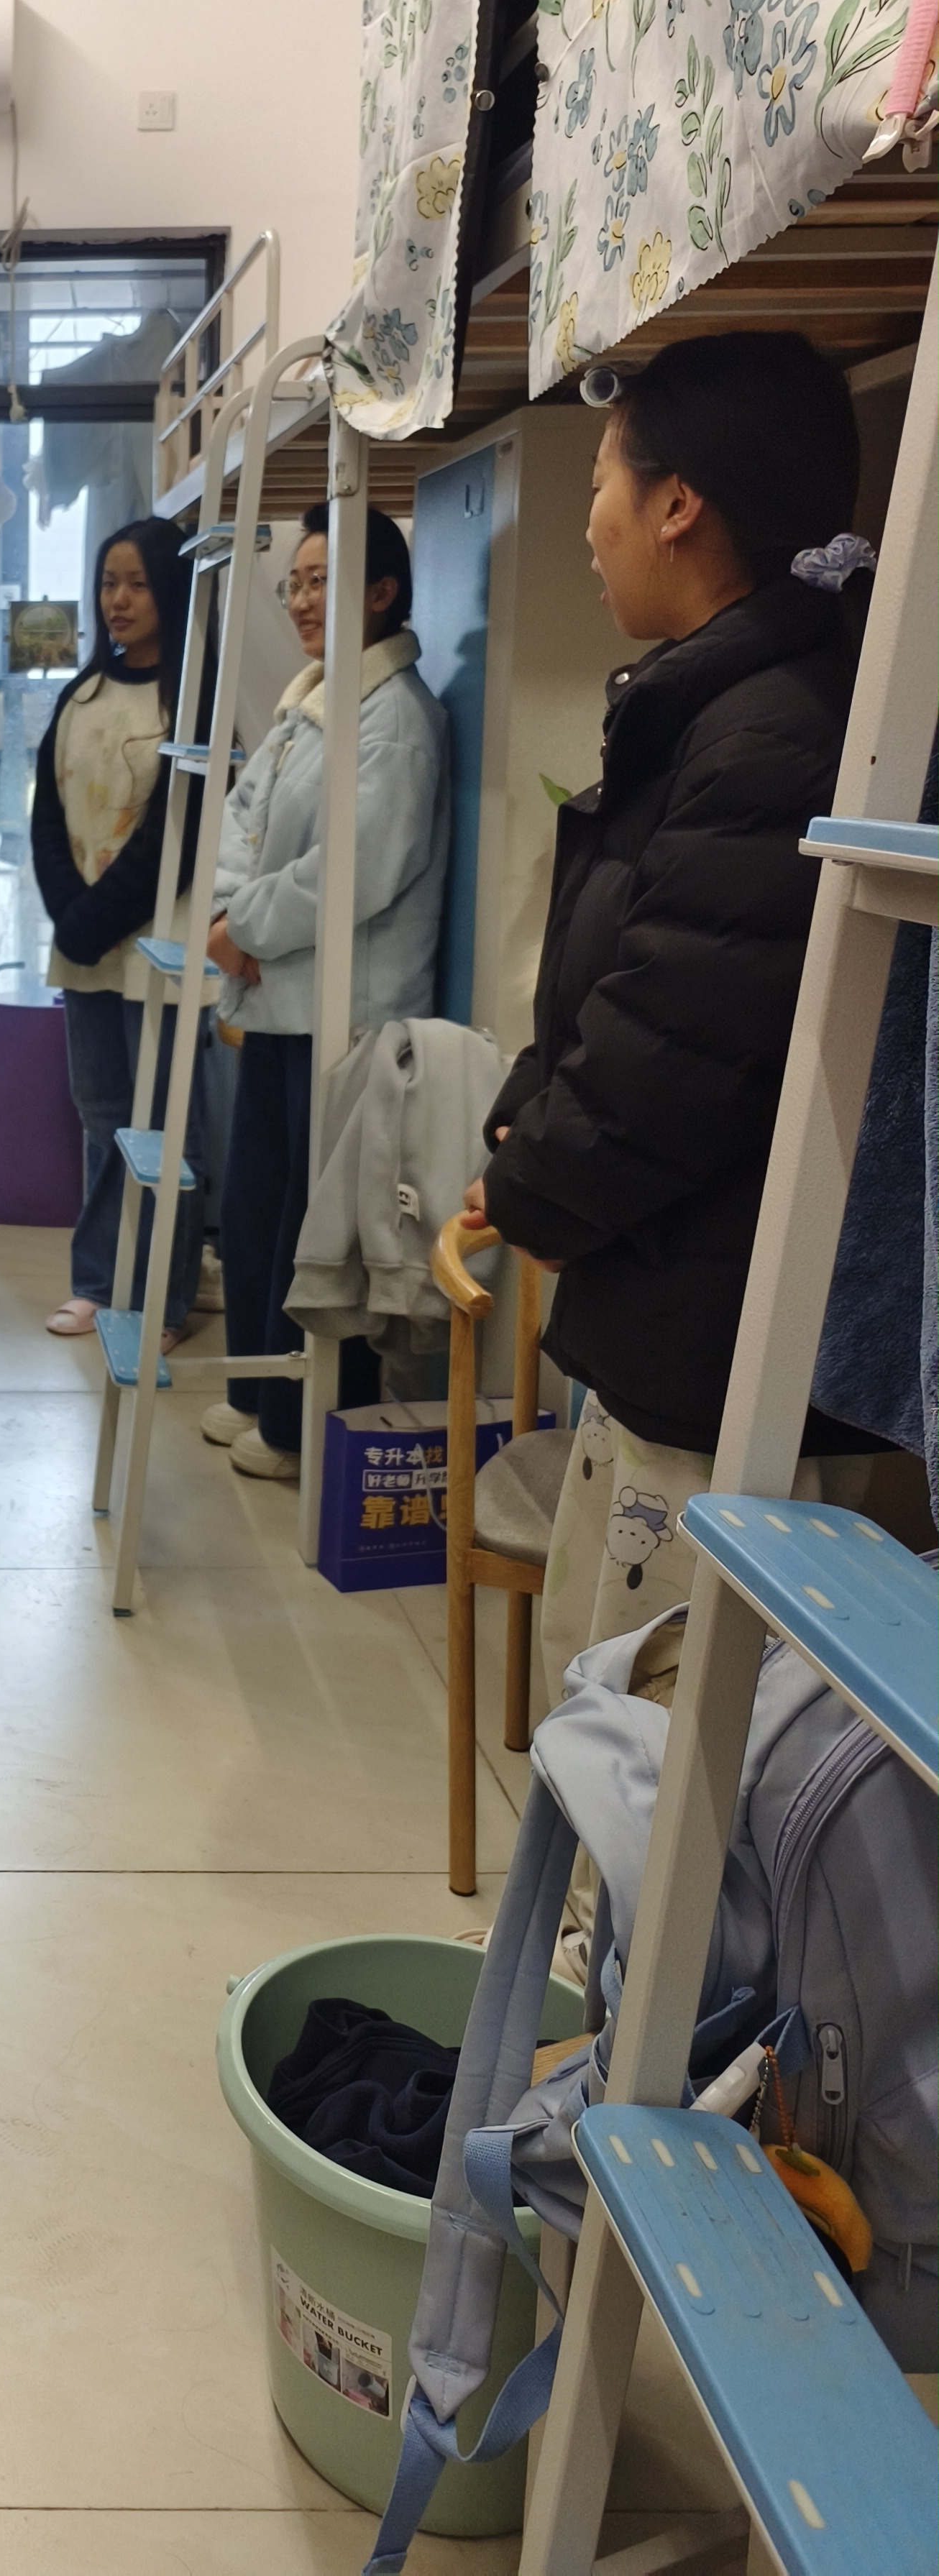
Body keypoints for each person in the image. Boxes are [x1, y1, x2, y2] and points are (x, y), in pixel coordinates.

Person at [466, 332, 865, 1707]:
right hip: (668, 1315)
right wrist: (525, 1111)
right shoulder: (717, 710)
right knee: (607, 1721)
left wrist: (526, 1182)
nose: (590, 522)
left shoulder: (770, 737)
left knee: (646, 1752)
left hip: (716, 1357)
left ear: (679, 502)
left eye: (600, 482)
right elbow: (621, 988)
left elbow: (671, 1062)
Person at [206, 503, 450, 1481]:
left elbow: (352, 872)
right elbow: (241, 825)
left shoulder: (397, 721)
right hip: (276, 999)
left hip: (342, 1016)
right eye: (296, 583)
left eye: (323, 581)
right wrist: (227, 918)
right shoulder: (311, 702)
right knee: (257, 1209)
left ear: (381, 592)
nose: (304, 601)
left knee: (319, 1234)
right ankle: (256, 1392)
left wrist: (242, 928)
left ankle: (298, 1431)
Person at [32, 516, 232, 1350]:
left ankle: (162, 1300)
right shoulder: (78, 695)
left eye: (137, 583)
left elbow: (174, 838)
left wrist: (94, 917)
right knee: (102, 1118)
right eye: (109, 583)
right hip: (84, 949)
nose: (118, 599)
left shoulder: (195, 699)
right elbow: (47, 817)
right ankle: (97, 1283)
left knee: (163, 1129)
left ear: (170, 591)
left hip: (159, 944)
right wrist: (70, 916)